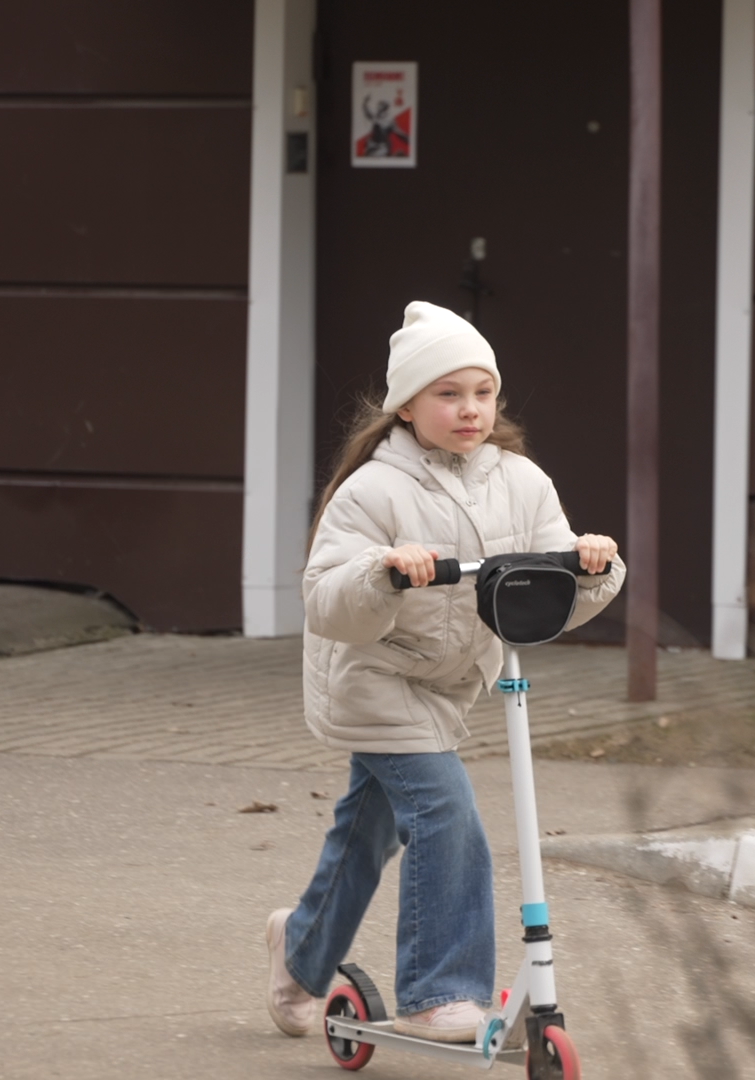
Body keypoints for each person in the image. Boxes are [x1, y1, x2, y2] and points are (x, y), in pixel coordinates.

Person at [266, 300, 625, 1043]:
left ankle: (299, 951)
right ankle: (440, 991)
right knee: (446, 813)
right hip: (374, 678)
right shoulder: (373, 489)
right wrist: (385, 570)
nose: (470, 409)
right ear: (406, 405)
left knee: (368, 833)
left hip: (448, 685)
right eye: (448, 393)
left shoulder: (522, 481)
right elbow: (325, 600)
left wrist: (589, 567)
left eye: (483, 393)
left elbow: (546, 595)